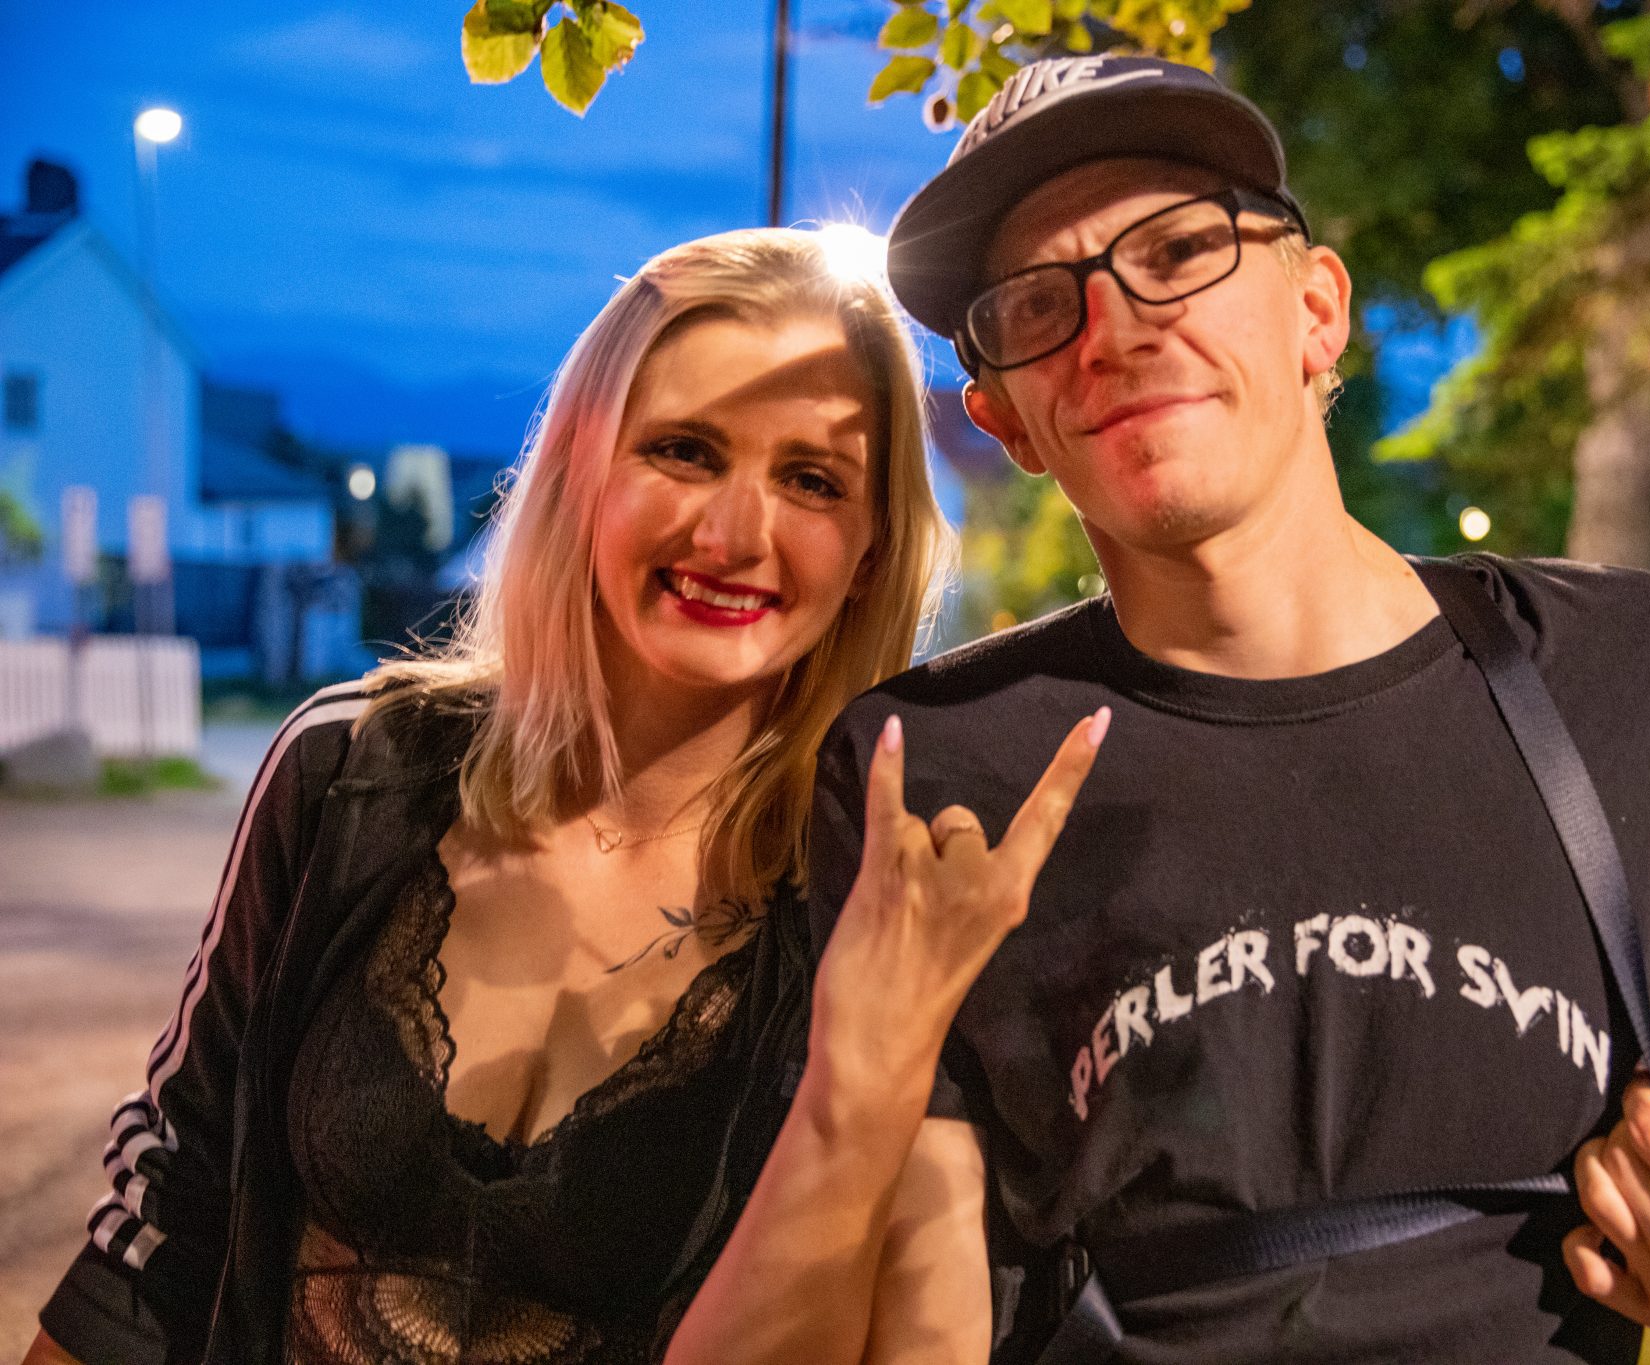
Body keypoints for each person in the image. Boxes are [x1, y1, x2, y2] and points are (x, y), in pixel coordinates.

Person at [805, 56, 1650, 1364]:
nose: (1116, 328)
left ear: (1317, 310)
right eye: (1037, 303)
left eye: (1178, 250)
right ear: (1005, 423)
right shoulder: (929, 766)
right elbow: (927, 1272)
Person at [27, 227, 1108, 1365]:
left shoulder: (873, 895)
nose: (733, 535)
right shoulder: (350, 770)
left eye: (810, 480)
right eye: (685, 450)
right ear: (582, 469)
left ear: (872, 546)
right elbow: (161, 1229)